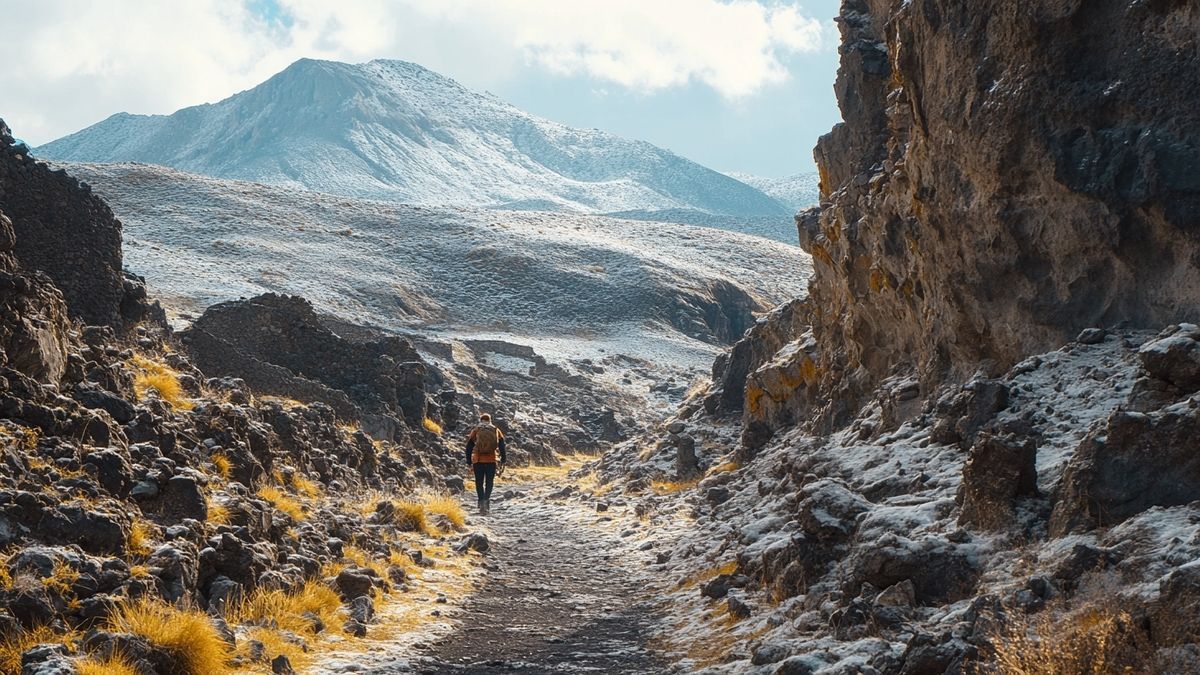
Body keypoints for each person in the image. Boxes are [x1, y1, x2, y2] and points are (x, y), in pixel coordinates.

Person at [465, 413, 506, 514]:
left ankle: (480, 501)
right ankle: (486, 501)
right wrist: (503, 459)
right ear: (490, 420)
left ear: (481, 420)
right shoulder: (496, 430)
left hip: (478, 460)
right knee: (489, 482)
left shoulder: (476, 430)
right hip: (491, 460)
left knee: (479, 482)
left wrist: (469, 462)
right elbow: (502, 446)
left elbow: (469, 446)